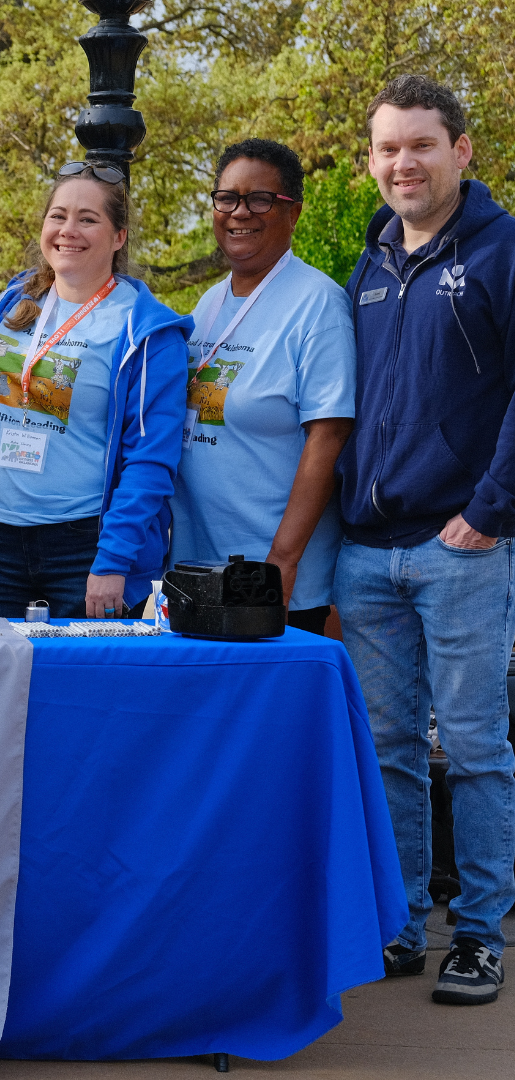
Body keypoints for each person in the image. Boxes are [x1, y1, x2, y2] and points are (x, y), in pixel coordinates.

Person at [335, 74, 515, 1006]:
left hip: (463, 549)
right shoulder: (367, 267)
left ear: (462, 151)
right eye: (386, 147)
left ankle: (480, 933)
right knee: (390, 747)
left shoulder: (500, 251)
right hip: (366, 551)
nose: (402, 162)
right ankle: (401, 921)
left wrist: (490, 509)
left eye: (420, 144)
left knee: (478, 745)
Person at [0, 162, 192, 619]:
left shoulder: (146, 330)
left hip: (84, 549)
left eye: (88, 219)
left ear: (119, 236)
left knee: (82, 689)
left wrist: (113, 562)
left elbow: (150, 459)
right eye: (58, 216)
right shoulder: (14, 302)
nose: (69, 230)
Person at [169, 139, 355, 635]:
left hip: (275, 584)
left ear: (292, 212)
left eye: (259, 200)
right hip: (200, 575)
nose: (238, 213)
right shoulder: (207, 304)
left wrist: (282, 562)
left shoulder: (318, 305)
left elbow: (329, 437)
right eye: (226, 198)